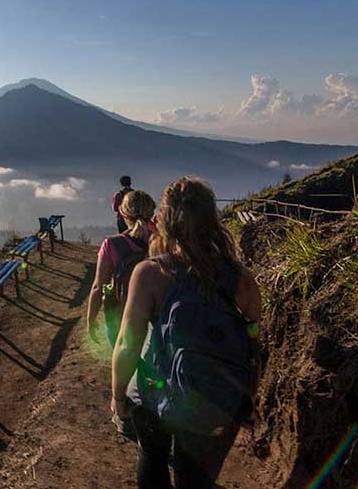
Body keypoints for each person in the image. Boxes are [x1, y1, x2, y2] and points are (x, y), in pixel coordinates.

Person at [110, 177, 262, 489]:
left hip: (152, 394)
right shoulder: (242, 280)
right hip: (212, 398)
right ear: (212, 220)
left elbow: (127, 342)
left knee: (152, 458)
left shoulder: (151, 273)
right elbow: (254, 344)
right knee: (194, 478)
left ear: (163, 222)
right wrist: (247, 396)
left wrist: (118, 396)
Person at [86, 189, 156, 347]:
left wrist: (91, 320)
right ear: (151, 213)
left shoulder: (111, 244)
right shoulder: (162, 242)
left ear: (123, 215)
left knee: (123, 363)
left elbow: (98, 286)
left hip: (120, 317)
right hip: (155, 317)